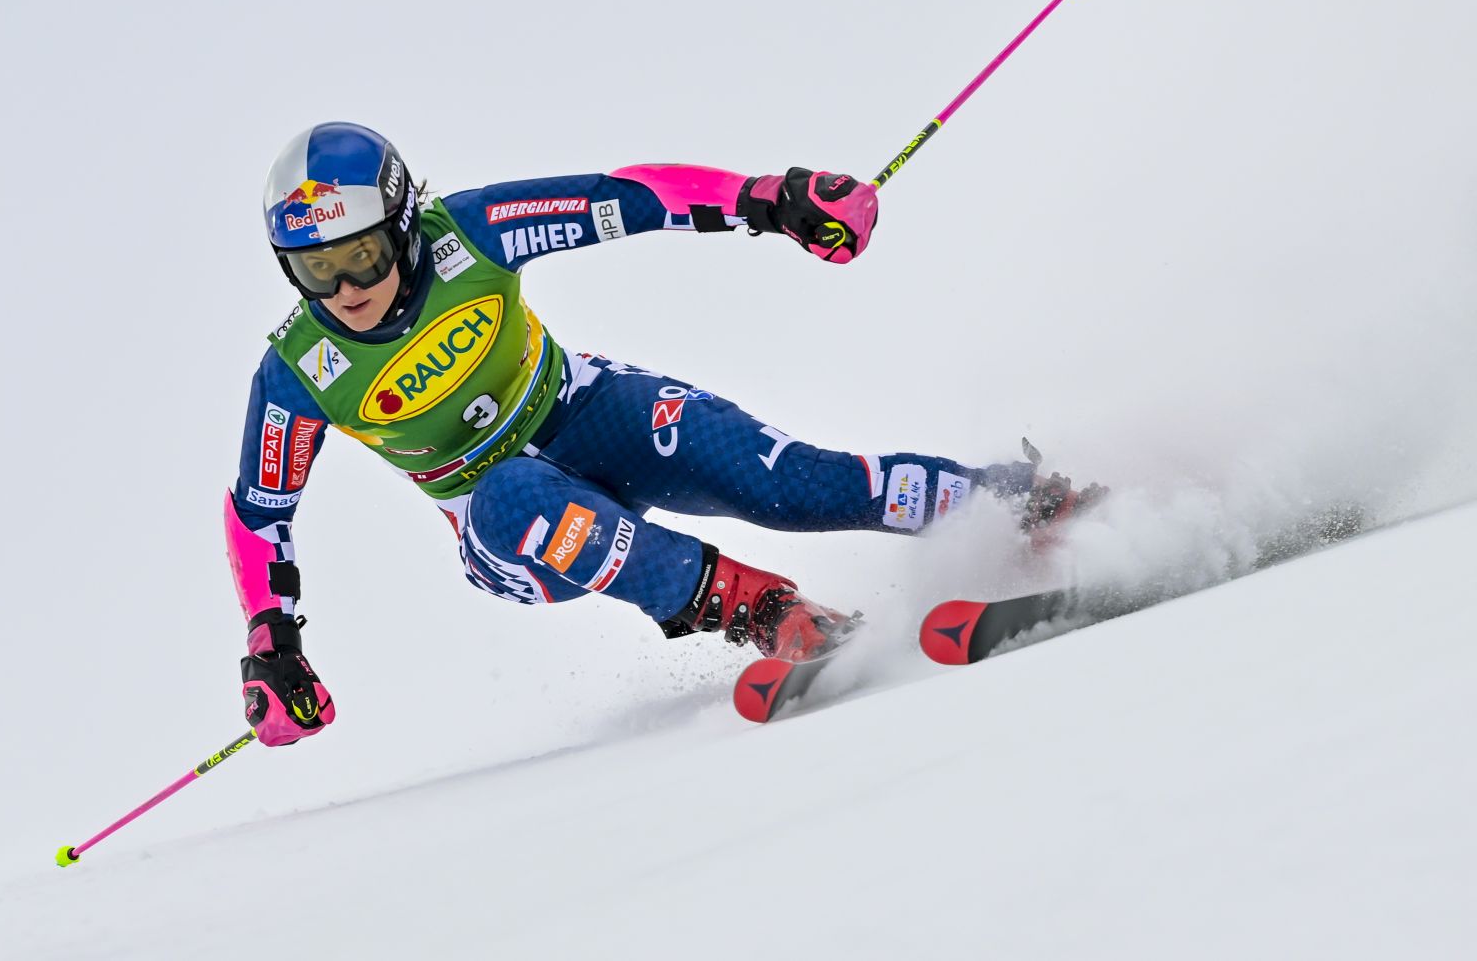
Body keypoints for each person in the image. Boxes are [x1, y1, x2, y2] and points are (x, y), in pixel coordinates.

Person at [230, 122, 1097, 746]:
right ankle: (766, 611)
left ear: (402, 225)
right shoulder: (299, 371)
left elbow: (624, 198)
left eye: (363, 256)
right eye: (315, 269)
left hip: (583, 412)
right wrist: (273, 646)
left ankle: (1020, 505)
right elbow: (259, 513)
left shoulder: (469, 234)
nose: (345, 290)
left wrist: (771, 200)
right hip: (505, 533)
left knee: (789, 482)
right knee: (512, 491)